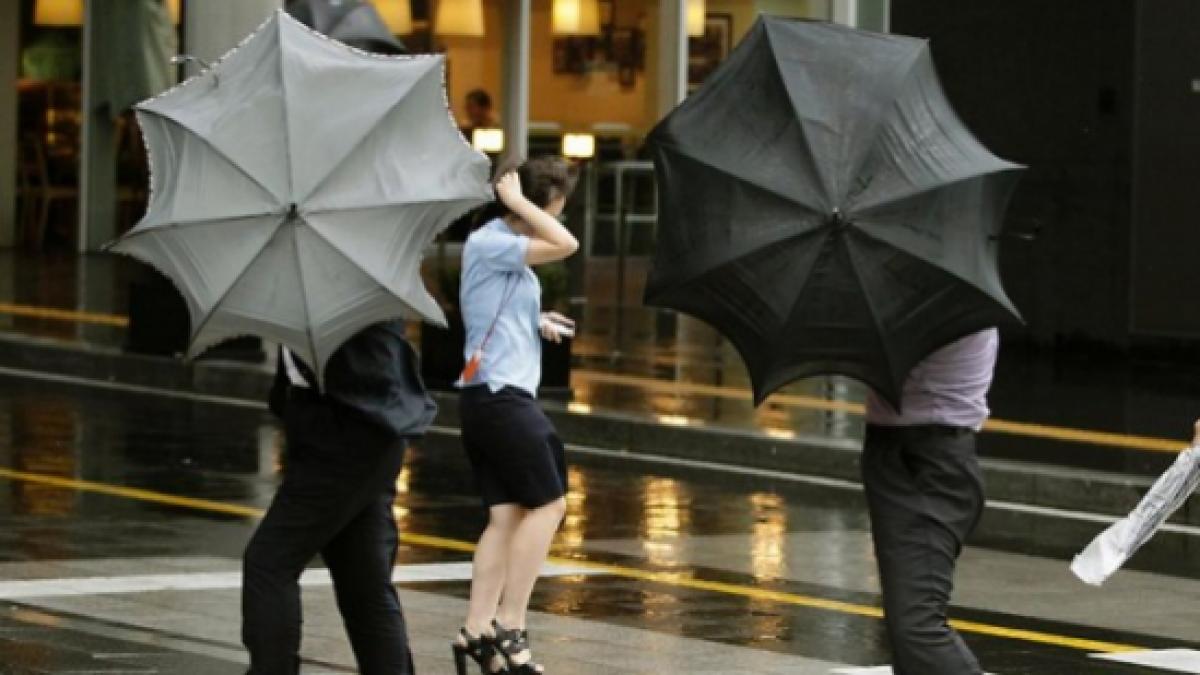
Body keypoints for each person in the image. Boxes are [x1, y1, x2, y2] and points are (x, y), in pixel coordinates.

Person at [243, 321, 436, 674]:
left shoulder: (347, 275)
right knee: (364, 582)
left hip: (351, 433)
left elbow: (371, 361)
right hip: (350, 431)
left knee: (268, 564)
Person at [451, 157, 579, 675]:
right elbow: (566, 244)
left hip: (490, 397)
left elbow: (492, 310)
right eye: (554, 207)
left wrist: (536, 320)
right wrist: (522, 202)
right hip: (502, 399)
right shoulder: (490, 241)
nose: (558, 216)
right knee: (550, 506)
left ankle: (475, 630)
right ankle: (511, 622)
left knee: (505, 518)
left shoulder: (502, 252)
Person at [861, 327, 998, 675]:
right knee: (907, 628)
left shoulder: (941, 306)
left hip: (927, 461)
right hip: (904, 454)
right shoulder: (916, 293)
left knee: (917, 626)